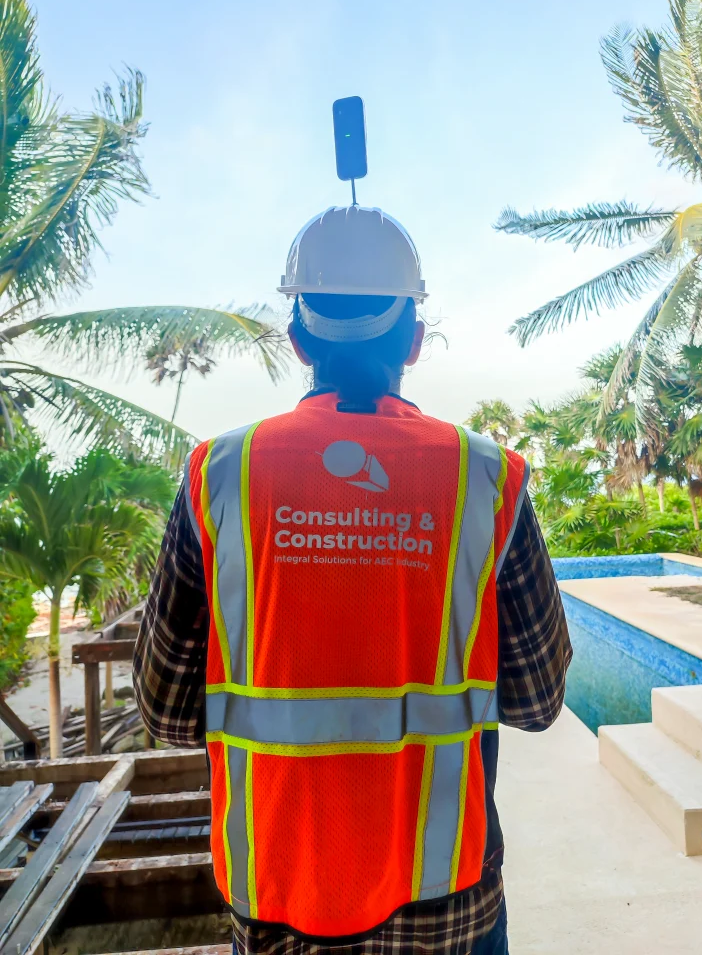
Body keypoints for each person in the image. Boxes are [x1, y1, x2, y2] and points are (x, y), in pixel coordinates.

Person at [134, 205, 572, 955]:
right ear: (414, 338)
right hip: (449, 905)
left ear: (299, 340)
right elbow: (537, 701)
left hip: (278, 899)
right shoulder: (486, 479)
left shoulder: (220, 475)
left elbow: (168, 712)